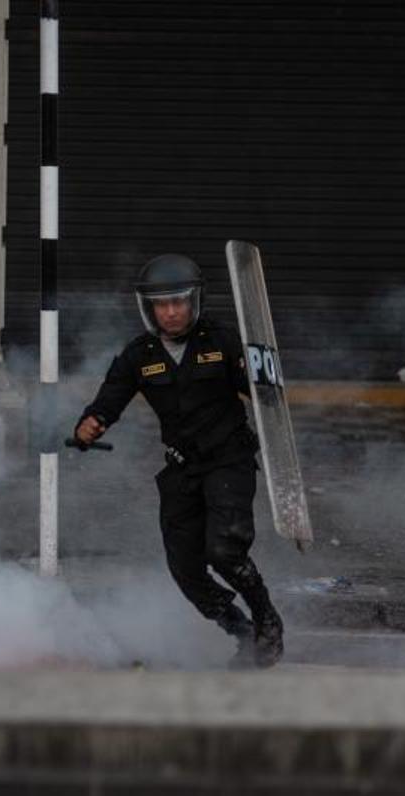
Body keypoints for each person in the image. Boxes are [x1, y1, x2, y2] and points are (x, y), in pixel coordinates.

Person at [74, 253, 284, 668]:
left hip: (229, 462)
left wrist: (267, 372)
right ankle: (240, 631)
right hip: (182, 470)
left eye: (178, 302)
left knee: (225, 549)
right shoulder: (139, 355)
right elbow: (109, 399)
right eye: (161, 304)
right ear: (148, 308)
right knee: (186, 571)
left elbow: (266, 393)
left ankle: (267, 620)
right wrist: (92, 422)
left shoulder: (221, 341)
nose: (171, 312)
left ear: (194, 301)